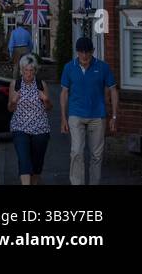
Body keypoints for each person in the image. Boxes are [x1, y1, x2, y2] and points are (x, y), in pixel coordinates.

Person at [60, 36, 119, 185]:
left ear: (93, 51)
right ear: (77, 52)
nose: (85, 56)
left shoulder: (103, 67)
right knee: (76, 152)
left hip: (97, 116)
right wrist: (63, 118)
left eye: (88, 52)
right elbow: (64, 93)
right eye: (81, 52)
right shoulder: (69, 67)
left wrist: (114, 116)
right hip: (76, 115)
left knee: (96, 155)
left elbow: (113, 90)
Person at [7, 55, 51, 185]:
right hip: (20, 128)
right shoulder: (15, 85)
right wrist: (13, 102)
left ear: (35, 71)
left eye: (32, 70)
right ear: (21, 70)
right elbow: (10, 108)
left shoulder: (41, 84)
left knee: (37, 163)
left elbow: (49, 108)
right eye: (26, 70)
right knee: (24, 159)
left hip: (40, 129)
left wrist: (46, 100)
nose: (29, 73)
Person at [8, 18, 32, 83]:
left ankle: (15, 82)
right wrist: (30, 51)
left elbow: (11, 44)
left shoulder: (14, 32)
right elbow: (30, 44)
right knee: (25, 66)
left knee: (16, 66)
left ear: (17, 25)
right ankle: (25, 81)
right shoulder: (27, 32)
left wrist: (11, 53)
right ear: (22, 25)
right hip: (25, 49)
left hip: (16, 49)